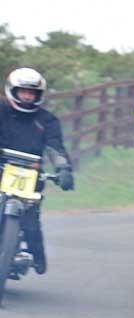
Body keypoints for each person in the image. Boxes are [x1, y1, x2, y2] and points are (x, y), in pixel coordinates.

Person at [0, 67, 74, 274]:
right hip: (0, 166)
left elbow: (54, 146)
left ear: (39, 95)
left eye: (31, 93)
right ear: (12, 91)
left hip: (30, 174)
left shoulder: (47, 120)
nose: (27, 97)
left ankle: (36, 254)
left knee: (30, 219)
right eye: (23, 92)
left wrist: (63, 168)